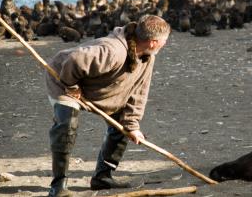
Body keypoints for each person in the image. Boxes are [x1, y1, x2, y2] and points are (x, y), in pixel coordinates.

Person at [45, 15, 171, 197]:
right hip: (63, 78)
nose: (165, 44)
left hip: (97, 87)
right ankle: (58, 186)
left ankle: (102, 177)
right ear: (153, 42)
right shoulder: (113, 51)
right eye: (164, 41)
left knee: (122, 127)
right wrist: (71, 86)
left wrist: (132, 125)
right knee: (66, 126)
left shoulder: (147, 56)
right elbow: (75, 60)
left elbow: (138, 92)